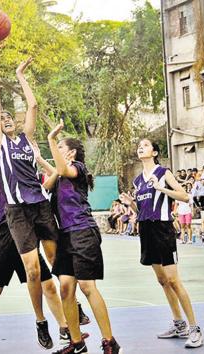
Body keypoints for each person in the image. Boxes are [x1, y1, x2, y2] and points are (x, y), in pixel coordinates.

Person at [0, 53, 71, 348]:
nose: (5, 120)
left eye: (9, 118)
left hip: (40, 206)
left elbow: (32, 105)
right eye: (2, 119)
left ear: (16, 123)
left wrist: (20, 75)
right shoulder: (0, 143)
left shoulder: (28, 140)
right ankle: (40, 321)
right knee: (33, 270)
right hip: (17, 211)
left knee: (56, 262)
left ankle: (71, 312)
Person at [0, 162, 78, 353]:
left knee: (48, 285)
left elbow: (57, 175)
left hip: (26, 239)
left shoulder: (30, 182)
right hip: (4, 241)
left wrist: (39, 158)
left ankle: (64, 328)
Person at [42, 120, 122, 353]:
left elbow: (62, 169)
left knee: (87, 286)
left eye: (60, 147)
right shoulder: (58, 175)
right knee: (66, 288)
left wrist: (50, 140)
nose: (56, 151)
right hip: (65, 237)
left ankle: (110, 342)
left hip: (83, 232)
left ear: (72, 152)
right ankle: (77, 344)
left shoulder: (77, 168)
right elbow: (51, 177)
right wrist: (37, 156)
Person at [120, 139, 203, 348]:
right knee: (162, 281)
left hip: (162, 229)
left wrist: (162, 189)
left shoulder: (163, 173)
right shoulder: (138, 181)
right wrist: (131, 204)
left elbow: (185, 196)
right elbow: (142, 211)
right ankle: (179, 324)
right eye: (139, 145)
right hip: (146, 230)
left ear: (154, 152)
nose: (141, 147)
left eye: (146, 145)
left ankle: (195, 329)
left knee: (174, 281)